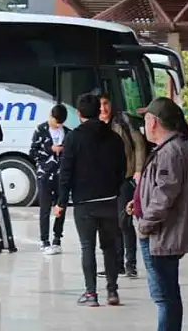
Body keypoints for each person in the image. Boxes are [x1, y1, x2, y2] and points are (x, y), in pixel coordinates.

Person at [129, 97, 188, 331]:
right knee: (167, 293)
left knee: (165, 295)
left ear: (154, 122)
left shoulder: (171, 152)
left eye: (145, 119)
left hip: (162, 234)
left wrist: (145, 223)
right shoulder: (169, 149)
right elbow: (158, 189)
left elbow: (165, 195)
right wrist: (137, 203)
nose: (143, 124)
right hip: (162, 232)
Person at [57, 93, 127, 307]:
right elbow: (122, 168)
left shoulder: (73, 138)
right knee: (109, 246)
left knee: (87, 247)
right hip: (109, 200)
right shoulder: (114, 137)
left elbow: (66, 172)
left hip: (84, 203)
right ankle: (113, 291)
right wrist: (114, 189)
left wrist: (61, 202)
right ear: (99, 111)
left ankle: (91, 294)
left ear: (78, 114)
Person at [100, 94, 146, 279]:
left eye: (106, 103)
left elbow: (139, 145)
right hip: (104, 181)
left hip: (124, 178)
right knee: (110, 224)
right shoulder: (94, 125)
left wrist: (138, 169)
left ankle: (130, 264)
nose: (103, 108)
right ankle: (115, 265)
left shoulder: (123, 120)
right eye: (100, 104)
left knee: (124, 222)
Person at [29, 104, 70, 255]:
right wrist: (50, 149)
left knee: (61, 207)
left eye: (60, 122)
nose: (56, 124)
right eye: (55, 120)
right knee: (45, 208)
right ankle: (44, 240)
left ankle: (57, 238)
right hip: (45, 175)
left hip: (61, 176)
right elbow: (32, 152)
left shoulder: (68, 133)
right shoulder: (40, 130)